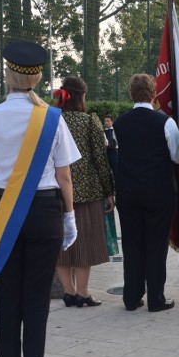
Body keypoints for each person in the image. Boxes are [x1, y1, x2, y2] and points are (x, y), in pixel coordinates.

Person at [0, 41, 80, 357]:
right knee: (36, 300)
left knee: (8, 299)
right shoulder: (53, 118)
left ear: (7, 75)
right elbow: (64, 176)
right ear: (36, 78)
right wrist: (69, 216)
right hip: (45, 210)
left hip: (4, 211)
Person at [113, 73, 179, 312]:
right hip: (158, 190)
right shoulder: (165, 122)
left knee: (132, 243)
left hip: (128, 190)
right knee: (156, 243)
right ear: (154, 94)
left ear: (131, 94)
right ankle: (156, 297)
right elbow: (177, 156)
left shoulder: (120, 123)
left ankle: (131, 297)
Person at [53, 76, 115, 308]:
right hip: (88, 191)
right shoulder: (89, 121)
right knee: (85, 241)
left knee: (61, 242)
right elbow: (100, 159)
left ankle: (68, 291)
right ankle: (83, 292)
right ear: (81, 96)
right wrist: (109, 190)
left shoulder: (51, 119)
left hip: (57, 191)